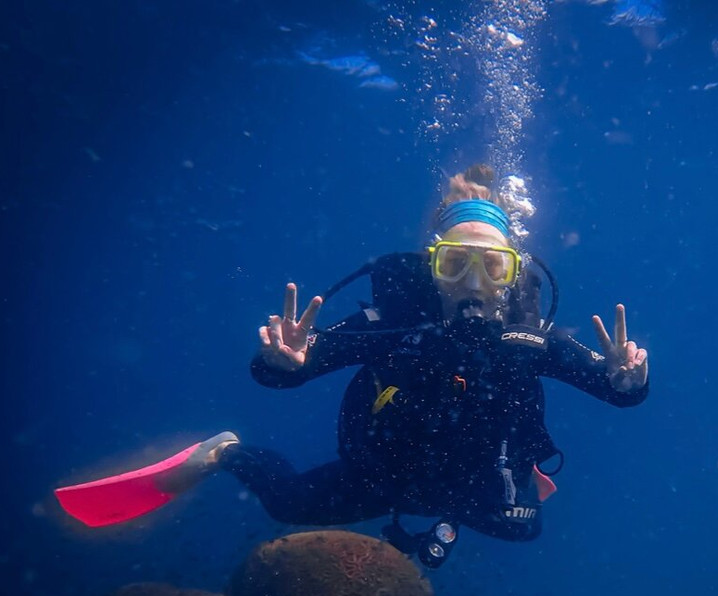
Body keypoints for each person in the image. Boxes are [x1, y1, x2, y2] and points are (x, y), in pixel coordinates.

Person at [56, 164, 649, 567]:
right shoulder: (391, 326)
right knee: (285, 503)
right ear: (430, 268)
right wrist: (284, 362)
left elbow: (614, 388)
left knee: (526, 529)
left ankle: (479, 500)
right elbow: (292, 369)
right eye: (454, 266)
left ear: (514, 273)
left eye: (492, 268)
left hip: (471, 485)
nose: (473, 283)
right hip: (382, 474)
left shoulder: (530, 338)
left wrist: (628, 378)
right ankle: (225, 454)